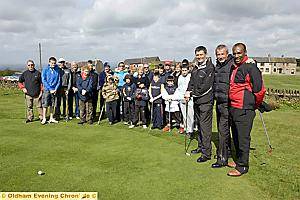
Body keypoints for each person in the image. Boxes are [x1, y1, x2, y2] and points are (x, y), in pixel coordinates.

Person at [227, 43, 265, 176]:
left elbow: (259, 90)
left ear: (245, 52)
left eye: (239, 53)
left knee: (243, 138)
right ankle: (239, 160)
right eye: (234, 53)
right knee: (236, 137)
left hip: (245, 109)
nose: (236, 55)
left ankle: (243, 166)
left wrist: (254, 105)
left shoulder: (251, 67)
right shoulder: (234, 66)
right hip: (234, 108)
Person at [185, 46, 214, 163]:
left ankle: (206, 153)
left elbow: (205, 87)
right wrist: (187, 91)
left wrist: (191, 93)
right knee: (199, 126)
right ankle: (201, 147)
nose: (199, 57)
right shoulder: (196, 68)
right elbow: (191, 82)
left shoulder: (210, 68)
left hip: (206, 101)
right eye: (197, 55)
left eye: (201, 55)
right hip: (197, 101)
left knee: (205, 128)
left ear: (205, 54)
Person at [211, 44, 234, 168]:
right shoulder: (217, 67)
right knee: (223, 129)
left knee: (223, 131)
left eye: (222, 54)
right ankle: (228, 152)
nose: (220, 56)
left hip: (228, 103)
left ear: (227, 54)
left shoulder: (232, 65)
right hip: (219, 102)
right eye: (218, 54)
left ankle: (222, 159)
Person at [174, 59, 194, 135]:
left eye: (185, 70)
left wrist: (189, 94)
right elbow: (179, 88)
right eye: (183, 70)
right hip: (181, 98)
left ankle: (191, 130)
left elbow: (192, 87)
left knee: (190, 115)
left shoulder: (190, 76)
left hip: (189, 98)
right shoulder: (180, 77)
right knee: (184, 115)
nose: (184, 72)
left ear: (188, 70)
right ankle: (186, 128)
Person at [41, 57, 61, 124]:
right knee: (45, 104)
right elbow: (44, 80)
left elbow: (58, 80)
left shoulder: (57, 69)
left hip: (54, 90)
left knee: (52, 104)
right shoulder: (45, 69)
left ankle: (51, 118)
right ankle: (44, 118)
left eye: (54, 63)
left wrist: (55, 89)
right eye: (52, 63)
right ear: (49, 62)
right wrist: (50, 89)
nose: (53, 64)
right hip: (47, 90)